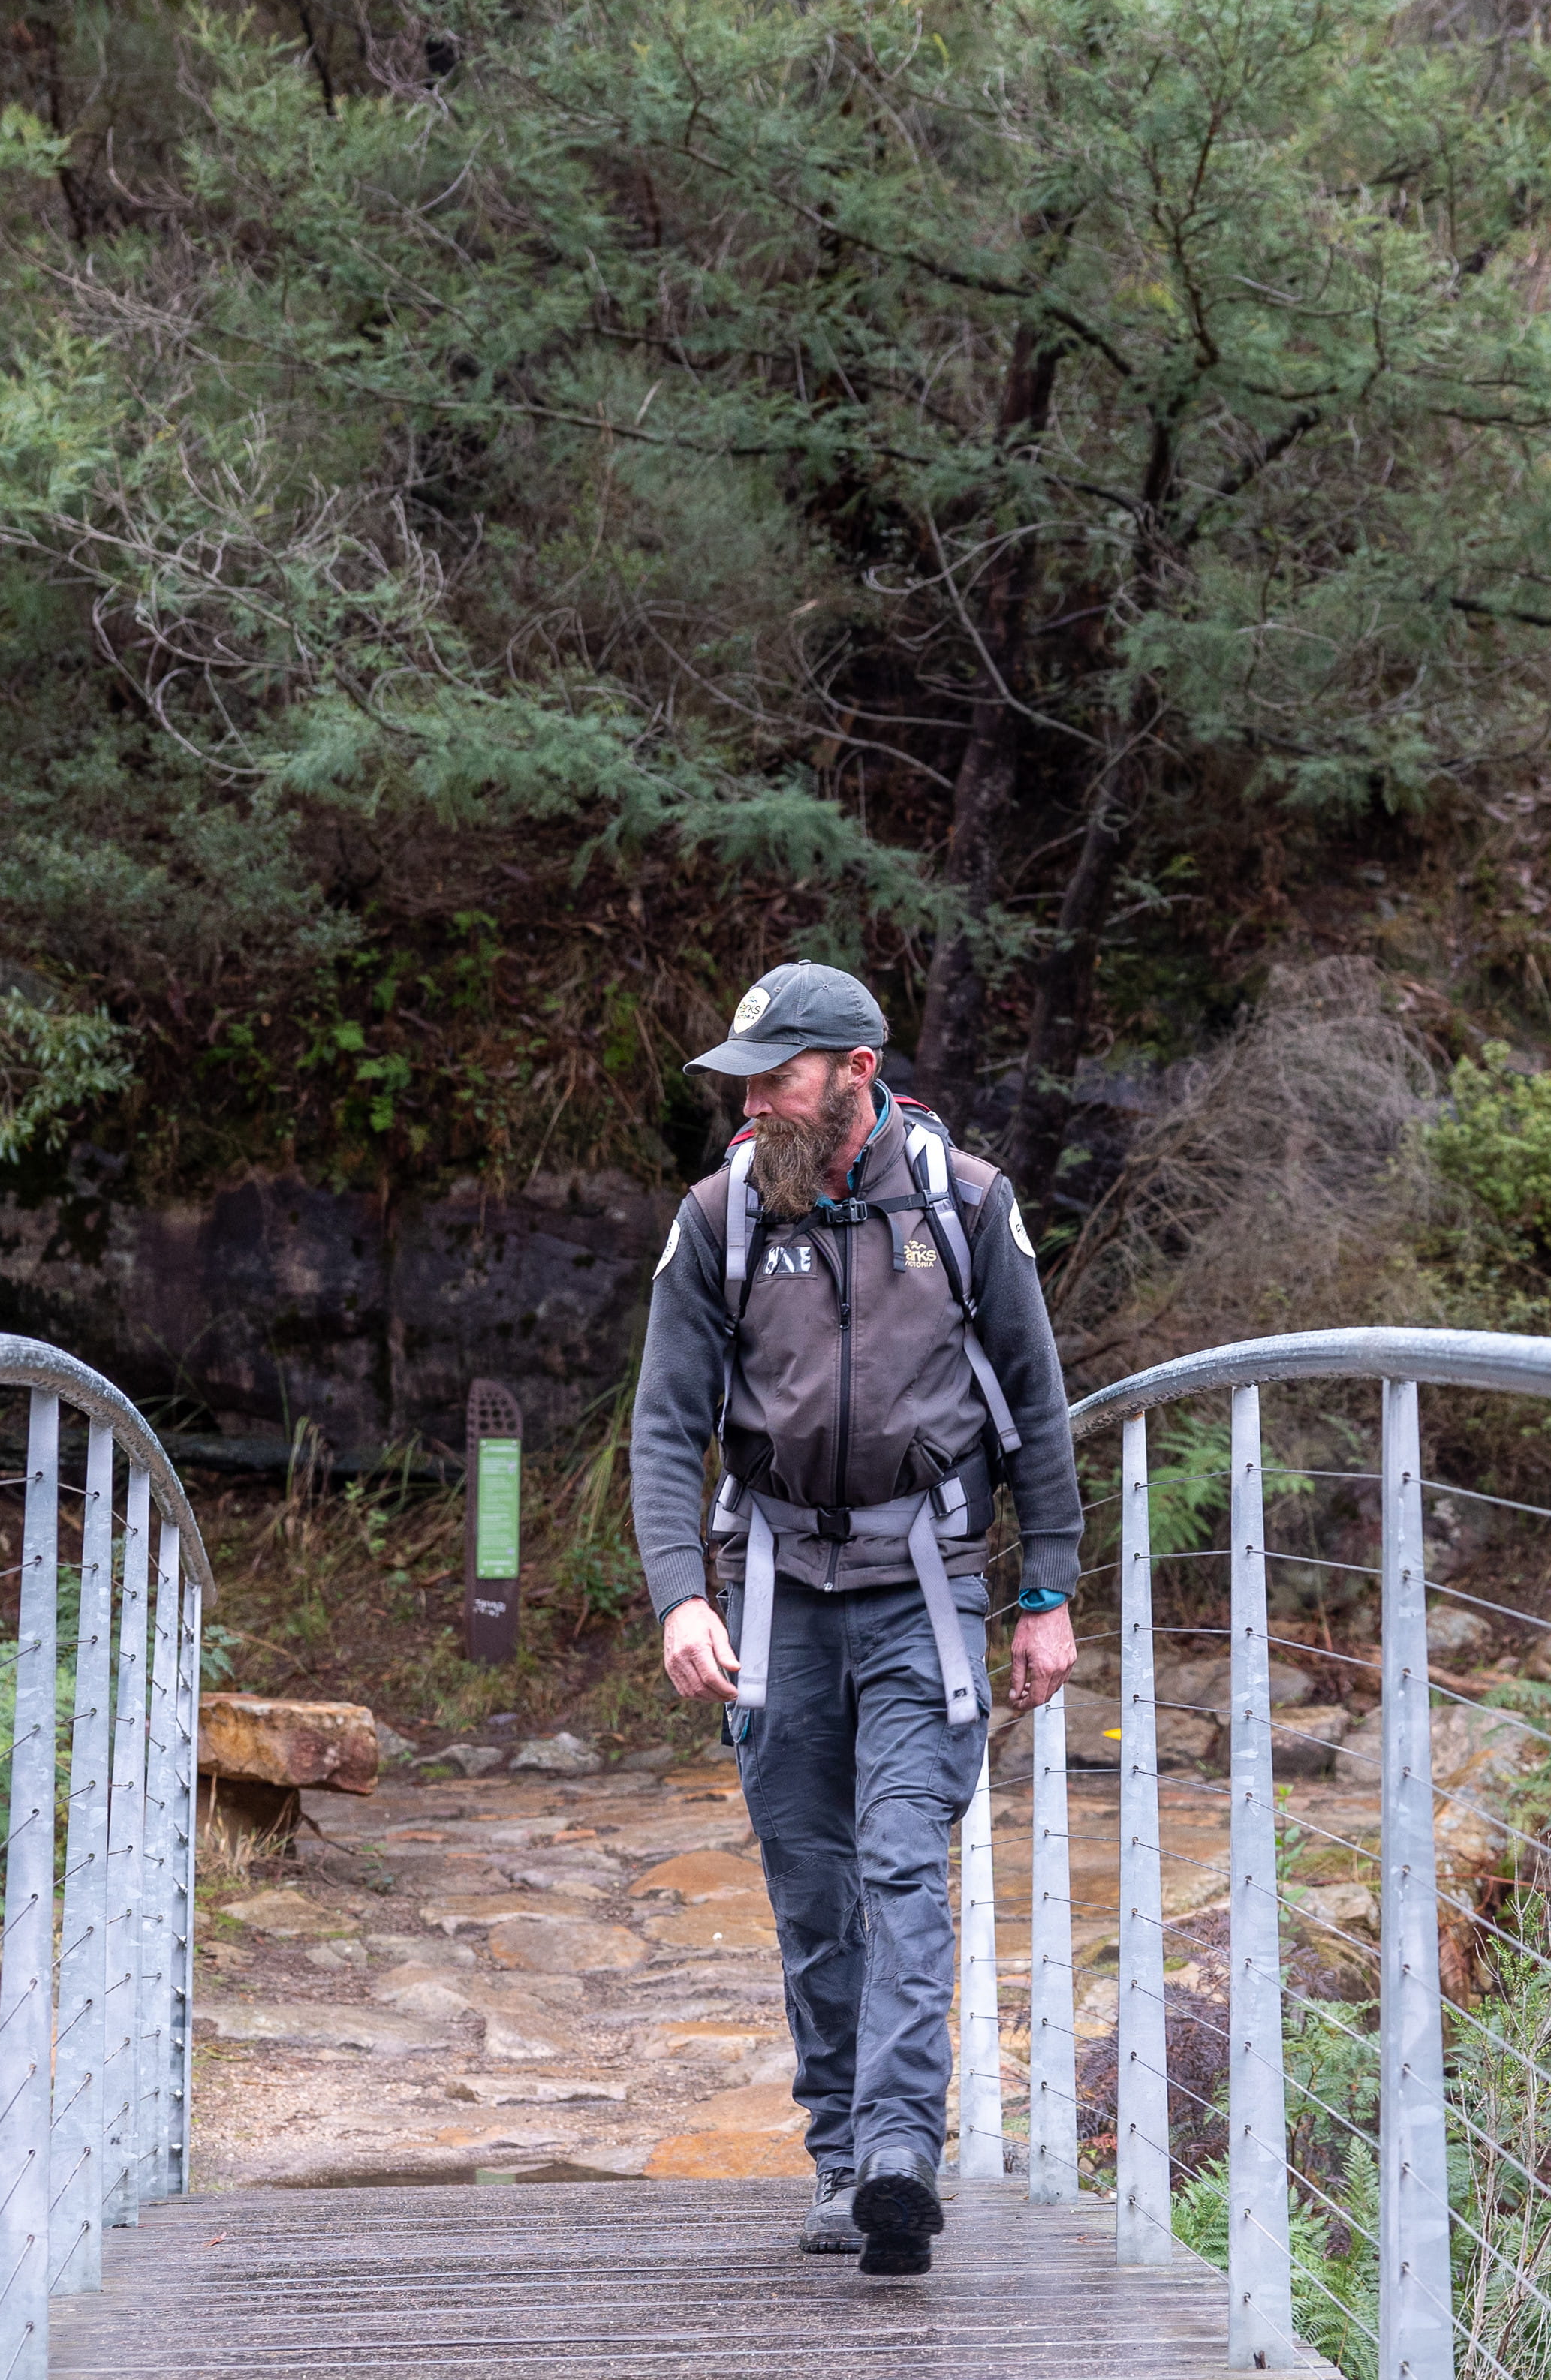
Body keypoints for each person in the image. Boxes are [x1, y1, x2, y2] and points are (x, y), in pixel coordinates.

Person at [628, 961, 1081, 2275]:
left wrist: (1047, 1593)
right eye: (749, 1082)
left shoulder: (968, 1205)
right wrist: (680, 1598)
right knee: (814, 1889)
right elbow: (665, 1429)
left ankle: (897, 2156)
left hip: (924, 1591)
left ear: (856, 1076)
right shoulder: (717, 1218)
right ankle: (840, 2155)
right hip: (773, 1597)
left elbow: (1040, 1408)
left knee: (898, 1860)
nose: (755, 1101)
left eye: (779, 1079)